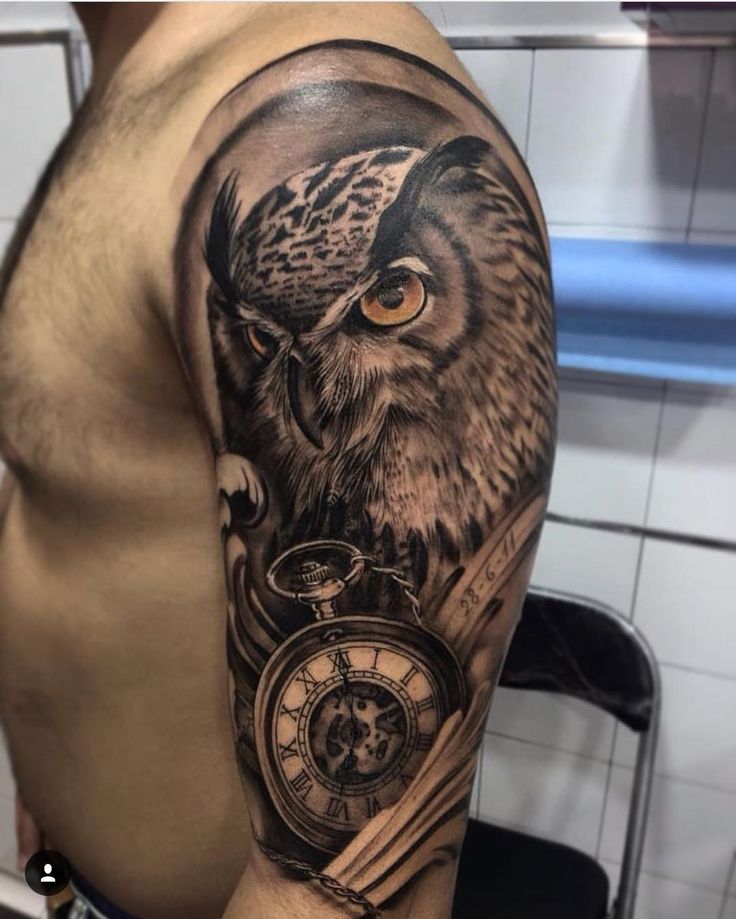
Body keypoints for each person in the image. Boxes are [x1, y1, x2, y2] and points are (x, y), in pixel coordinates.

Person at [0, 3, 556, 918]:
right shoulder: (131, 71)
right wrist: (47, 778)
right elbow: (75, 493)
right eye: (262, 339)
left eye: (387, 302)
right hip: (68, 875)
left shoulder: (305, 92)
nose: (308, 396)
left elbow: (345, 894)